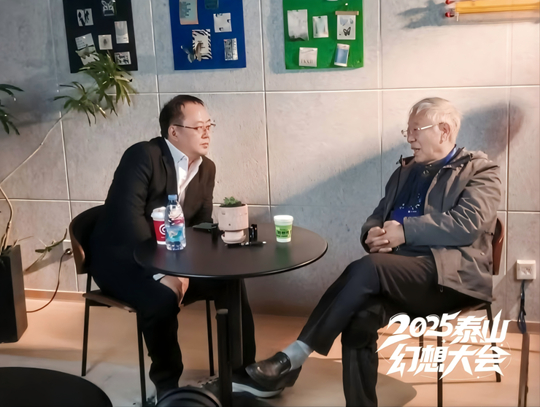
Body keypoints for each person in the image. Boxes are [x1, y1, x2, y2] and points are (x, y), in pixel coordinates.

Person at [245, 97, 502, 406]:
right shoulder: (405, 171)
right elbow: (378, 215)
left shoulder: (480, 171)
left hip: (450, 278)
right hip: (396, 272)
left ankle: (295, 355)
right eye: (407, 131)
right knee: (359, 319)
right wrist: (372, 235)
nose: (409, 138)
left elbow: (466, 225)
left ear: (444, 130)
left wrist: (404, 231)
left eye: (416, 130)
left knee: (369, 267)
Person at [88, 95, 270, 400]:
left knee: (229, 282)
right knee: (160, 298)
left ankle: (240, 371)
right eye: (198, 127)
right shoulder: (143, 156)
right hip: (122, 260)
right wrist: (163, 274)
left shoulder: (206, 168)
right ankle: (167, 387)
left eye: (209, 126)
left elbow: (199, 224)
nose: (207, 133)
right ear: (174, 131)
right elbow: (127, 222)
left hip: (172, 260)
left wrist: (200, 262)